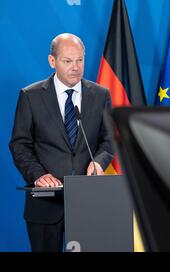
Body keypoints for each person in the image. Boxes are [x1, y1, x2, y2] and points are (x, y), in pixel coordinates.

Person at [9, 33, 114, 252]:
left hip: (89, 200)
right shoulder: (31, 96)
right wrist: (38, 175)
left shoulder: (100, 95)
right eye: (68, 61)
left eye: (80, 60)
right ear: (52, 61)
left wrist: (99, 162)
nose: (75, 67)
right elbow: (20, 144)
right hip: (46, 203)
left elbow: (109, 139)